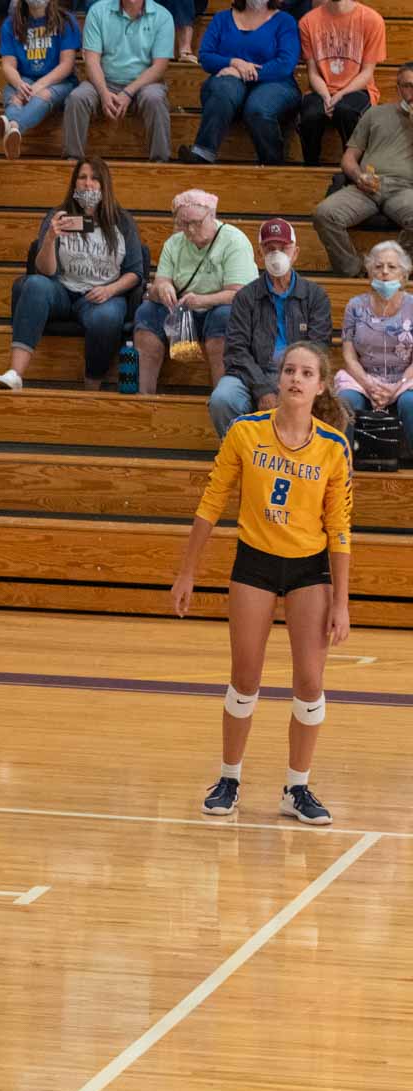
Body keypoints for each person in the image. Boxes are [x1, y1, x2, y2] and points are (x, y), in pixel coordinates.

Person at [171, 342, 352, 826]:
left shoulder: (333, 447)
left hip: (309, 569)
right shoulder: (245, 432)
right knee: (245, 676)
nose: (296, 378)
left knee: (310, 681)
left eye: (307, 373)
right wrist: (188, 571)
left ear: (321, 385)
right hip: (255, 562)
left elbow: (340, 527)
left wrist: (342, 601)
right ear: (279, 377)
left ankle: (297, 787)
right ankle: (228, 779)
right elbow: (212, 500)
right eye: (289, 370)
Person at [0, 157, 146, 390]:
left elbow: (135, 272)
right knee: (34, 284)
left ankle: (91, 385)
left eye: (95, 179)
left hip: (103, 295)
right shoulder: (59, 215)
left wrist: (110, 290)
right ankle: (15, 373)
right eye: (82, 177)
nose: (88, 183)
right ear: (74, 183)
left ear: (104, 185)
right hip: (62, 291)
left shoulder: (122, 221)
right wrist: (49, 239)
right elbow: (45, 271)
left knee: (106, 317)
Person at [208, 217, 333, 436]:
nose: (277, 254)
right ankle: (238, 452)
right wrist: (262, 388)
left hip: (298, 372)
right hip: (253, 372)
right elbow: (236, 351)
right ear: (260, 255)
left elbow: (318, 349)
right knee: (223, 398)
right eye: (270, 249)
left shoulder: (315, 295)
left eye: (283, 248)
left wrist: (291, 380)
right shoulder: (246, 296)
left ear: (295, 253)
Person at [133, 189, 257, 393]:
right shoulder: (174, 243)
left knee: (224, 317)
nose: (190, 229)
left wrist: (202, 300)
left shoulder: (234, 240)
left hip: (219, 307)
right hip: (183, 310)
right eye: (183, 224)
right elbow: (160, 282)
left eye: (196, 223)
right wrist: (163, 287)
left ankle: (223, 397)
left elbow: (239, 294)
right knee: (147, 313)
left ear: (212, 216)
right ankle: (143, 395)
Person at [312, 65, 413, 279]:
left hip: (405, 189)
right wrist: (359, 176)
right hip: (367, 186)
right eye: (408, 86)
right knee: (324, 213)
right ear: (398, 88)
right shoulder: (375, 114)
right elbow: (348, 158)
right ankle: (354, 271)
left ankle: (396, 269)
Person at [177, 0, 300, 167]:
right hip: (230, 82)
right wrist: (234, 62)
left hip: (276, 82)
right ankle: (203, 153)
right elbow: (205, 56)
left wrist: (245, 73)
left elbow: (285, 64)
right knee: (223, 90)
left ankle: (272, 164)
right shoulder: (221, 19)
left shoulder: (285, 21)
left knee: (258, 108)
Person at [63, 0, 175, 164]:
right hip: (104, 80)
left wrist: (128, 92)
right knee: (77, 98)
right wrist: (103, 93)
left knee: (155, 99)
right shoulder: (98, 11)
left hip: (144, 83)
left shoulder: (163, 16)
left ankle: (160, 164)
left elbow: (159, 67)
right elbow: (92, 61)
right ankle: (72, 161)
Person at [334, 240, 413, 453]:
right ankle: (342, 464)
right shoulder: (355, 306)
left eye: (392, 267)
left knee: (411, 402)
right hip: (363, 378)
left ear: (403, 275)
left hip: (405, 379)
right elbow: (349, 355)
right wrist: (369, 384)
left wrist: (396, 386)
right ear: (370, 273)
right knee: (345, 402)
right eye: (378, 266)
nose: (384, 272)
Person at [298, 0, 385, 167]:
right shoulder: (308, 21)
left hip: (359, 88)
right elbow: (313, 72)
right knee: (311, 115)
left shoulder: (372, 19)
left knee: (345, 111)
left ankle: (354, 168)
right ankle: (311, 168)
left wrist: (340, 94)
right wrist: (326, 96)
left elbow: (367, 72)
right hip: (321, 89)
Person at [0, 0, 81, 160]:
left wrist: (39, 85)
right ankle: (12, 131)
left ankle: (13, 125)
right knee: (13, 94)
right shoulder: (10, 24)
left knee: (44, 94)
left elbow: (67, 65)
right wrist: (19, 84)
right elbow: (8, 65)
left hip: (60, 81)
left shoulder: (66, 20)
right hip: (25, 79)